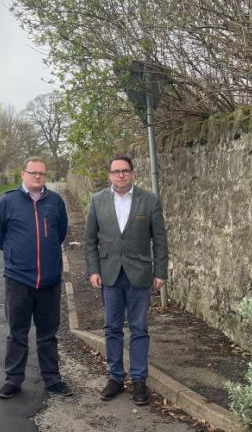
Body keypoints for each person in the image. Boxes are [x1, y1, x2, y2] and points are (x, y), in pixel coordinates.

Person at [84, 155, 168, 405]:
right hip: (109, 274)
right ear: (109, 175)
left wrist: (160, 272)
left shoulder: (149, 200)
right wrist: (93, 270)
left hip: (139, 273)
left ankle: (139, 380)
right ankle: (115, 378)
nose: (121, 175)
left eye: (125, 171)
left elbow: (160, 240)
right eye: (116, 171)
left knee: (140, 328)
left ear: (132, 173)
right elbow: (89, 240)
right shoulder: (97, 201)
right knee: (112, 328)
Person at [0, 156, 70, 399]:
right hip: (18, 280)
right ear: (22, 174)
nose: (38, 177)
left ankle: (52, 379)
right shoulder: (8, 201)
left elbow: (61, 233)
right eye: (33, 172)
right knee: (17, 333)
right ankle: (13, 380)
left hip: (49, 281)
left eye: (42, 173)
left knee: (48, 334)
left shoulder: (55, 201)